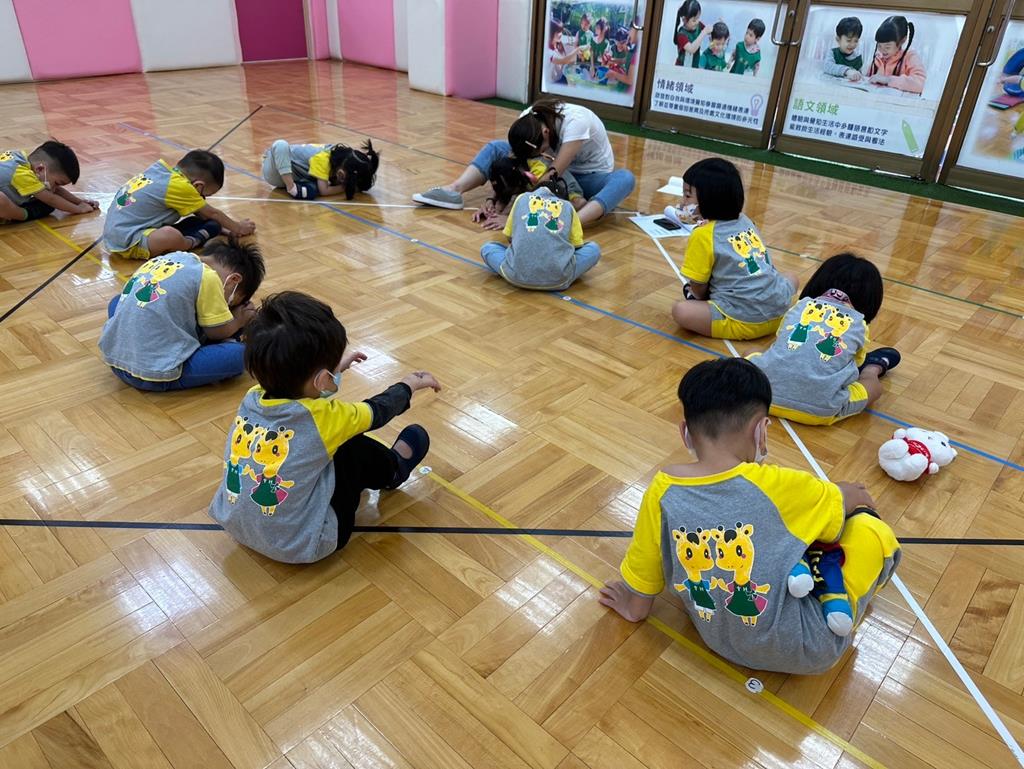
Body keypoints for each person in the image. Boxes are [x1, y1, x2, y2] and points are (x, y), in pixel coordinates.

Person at [598, 358, 901, 674]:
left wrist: (633, 607)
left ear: (685, 432)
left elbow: (645, 567)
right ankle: (843, 600)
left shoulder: (661, 490)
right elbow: (853, 498)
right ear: (761, 430)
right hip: (811, 647)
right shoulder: (781, 484)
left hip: (717, 638)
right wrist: (851, 498)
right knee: (869, 527)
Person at [208, 291, 440, 564]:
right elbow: (378, 411)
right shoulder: (324, 420)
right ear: (320, 379)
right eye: (330, 373)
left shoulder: (252, 397)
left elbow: (301, 398)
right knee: (349, 444)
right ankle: (393, 470)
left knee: (317, 443)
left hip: (235, 524)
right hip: (305, 544)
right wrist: (409, 385)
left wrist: (334, 372)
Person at [413, 98, 634, 226]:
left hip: (586, 177)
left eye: (539, 150)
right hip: (549, 167)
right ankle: (454, 190)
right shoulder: (528, 117)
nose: (538, 153)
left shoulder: (576, 122)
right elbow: (513, 162)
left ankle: (570, 224)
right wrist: (495, 199)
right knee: (496, 148)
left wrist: (513, 218)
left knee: (625, 178)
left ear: (546, 133)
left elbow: (551, 177)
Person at [748, 253, 900, 425]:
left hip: (761, 397)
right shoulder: (859, 323)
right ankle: (873, 368)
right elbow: (857, 362)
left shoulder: (800, 306)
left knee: (752, 351)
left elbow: (781, 339)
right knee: (874, 387)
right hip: (821, 410)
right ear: (870, 300)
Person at [98, 238, 265, 391]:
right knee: (239, 355)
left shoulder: (166, 259)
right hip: (154, 373)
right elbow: (217, 332)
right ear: (234, 280)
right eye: (230, 302)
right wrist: (239, 320)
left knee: (118, 301)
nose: (226, 306)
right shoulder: (209, 277)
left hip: (115, 359)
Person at [671, 158, 795, 340]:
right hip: (780, 312)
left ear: (709, 199)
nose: (683, 201)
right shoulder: (744, 220)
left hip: (744, 321)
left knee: (681, 310)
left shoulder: (702, 235)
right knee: (791, 277)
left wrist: (696, 296)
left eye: (688, 196)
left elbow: (698, 287)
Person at [103, 150, 256, 260]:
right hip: (129, 241)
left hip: (117, 234)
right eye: (203, 196)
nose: (202, 200)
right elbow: (213, 213)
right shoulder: (181, 187)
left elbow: (201, 212)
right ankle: (191, 242)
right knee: (170, 234)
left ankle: (197, 232)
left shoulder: (160, 172)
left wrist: (224, 228)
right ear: (198, 186)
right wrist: (238, 228)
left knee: (199, 222)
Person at [480, 185, 599, 290]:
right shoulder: (568, 206)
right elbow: (577, 246)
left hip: (515, 276)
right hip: (559, 279)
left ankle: (520, 266)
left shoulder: (521, 198)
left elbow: (510, 238)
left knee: (488, 248)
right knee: (593, 249)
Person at [0, 141, 97, 223]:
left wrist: (79, 202)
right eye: (57, 183)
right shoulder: (22, 174)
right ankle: (24, 214)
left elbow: (56, 191)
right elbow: (51, 199)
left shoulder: (18, 157)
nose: (55, 188)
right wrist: (79, 209)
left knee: (46, 203)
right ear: (40, 169)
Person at [262, 139, 379, 200]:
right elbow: (324, 191)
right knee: (281, 144)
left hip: (294, 177)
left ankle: (295, 186)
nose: (341, 181)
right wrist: (346, 187)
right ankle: (292, 188)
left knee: (313, 189)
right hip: (274, 167)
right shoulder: (324, 158)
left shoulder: (340, 163)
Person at [486, 154, 586, 218]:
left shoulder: (538, 171)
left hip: (568, 192)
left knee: (577, 203)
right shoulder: (510, 167)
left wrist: (507, 217)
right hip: (535, 187)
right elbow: (505, 194)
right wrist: (491, 205)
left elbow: (529, 198)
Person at [867, 16, 925, 94]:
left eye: (887, 47)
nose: (882, 50)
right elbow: (869, 79)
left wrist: (889, 80)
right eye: (879, 46)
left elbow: (921, 83)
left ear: (902, 41)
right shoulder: (878, 58)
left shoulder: (910, 57)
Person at [674, 0, 709, 69]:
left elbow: (709, 31)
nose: (697, 22)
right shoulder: (681, 35)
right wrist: (704, 32)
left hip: (694, 65)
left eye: (698, 18)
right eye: (694, 20)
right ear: (684, 19)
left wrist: (718, 27)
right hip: (682, 68)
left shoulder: (698, 25)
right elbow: (691, 49)